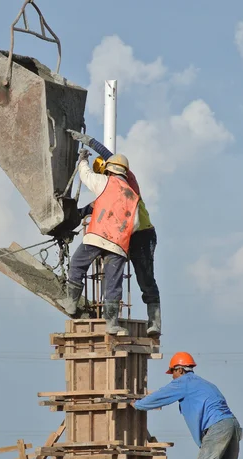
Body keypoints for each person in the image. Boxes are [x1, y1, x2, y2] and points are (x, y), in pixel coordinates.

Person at [67, 129, 161, 337]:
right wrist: (74, 218)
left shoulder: (129, 183)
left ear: (109, 172)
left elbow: (109, 155)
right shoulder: (112, 189)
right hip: (121, 236)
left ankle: (154, 322)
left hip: (141, 235)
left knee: (145, 278)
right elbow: (95, 206)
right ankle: (113, 320)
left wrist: (90, 142)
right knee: (114, 278)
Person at [132, 351, 242, 459]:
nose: (172, 378)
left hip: (218, 427)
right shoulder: (205, 384)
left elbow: (161, 396)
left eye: (172, 373)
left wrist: (137, 404)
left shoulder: (184, 382)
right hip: (232, 425)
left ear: (180, 370)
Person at [63, 149, 140, 335]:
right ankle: (111, 323)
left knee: (77, 265)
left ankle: (71, 303)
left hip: (97, 235)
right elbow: (135, 224)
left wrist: (82, 161)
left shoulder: (105, 182)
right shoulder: (133, 196)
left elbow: (86, 175)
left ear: (109, 170)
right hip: (118, 245)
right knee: (113, 283)